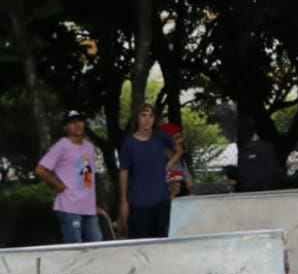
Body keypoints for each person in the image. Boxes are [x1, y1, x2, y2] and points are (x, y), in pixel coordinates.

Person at [35, 110, 106, 243]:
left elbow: (88, 178)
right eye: (72, 123)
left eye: (79, 121)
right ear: (65, 127)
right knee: (74, 248)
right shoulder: (61, 146)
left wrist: (94, 204)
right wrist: (57, 185)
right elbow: (40, 170)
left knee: (96, 245)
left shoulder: (89, 147)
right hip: (69, 206)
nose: (77, 125)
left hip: (88, 208)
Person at [119, 103, 183, 238]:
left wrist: (169, 164)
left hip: (161, 199)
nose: (147, 119)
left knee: (161, 239)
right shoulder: (129, 143)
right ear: (137, 118)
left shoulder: (161, 136)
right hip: (138, 201)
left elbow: (178, 150)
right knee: (140, 241)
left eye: (151, 116)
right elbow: (124, 172)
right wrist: (124, 201)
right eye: (143, 115)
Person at [161, 123, 194, 198]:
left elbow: (189, 184)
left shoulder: (181, 161)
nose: (181, 140)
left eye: (181, 137)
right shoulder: (157, 160)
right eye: (177, 138)